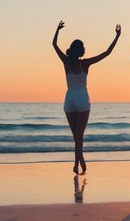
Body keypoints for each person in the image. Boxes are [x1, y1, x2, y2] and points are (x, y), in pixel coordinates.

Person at [52, 21, 121, 174]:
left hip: (70, 99)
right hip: (82, 99)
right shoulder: (86, 63)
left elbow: (54, 44)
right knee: (79, 136)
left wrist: (57, 30)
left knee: (75, 136)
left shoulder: (66, 62)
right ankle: (79, 161)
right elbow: (107, 52)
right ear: (81, 50)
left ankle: (78, 163)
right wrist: (117, 36)